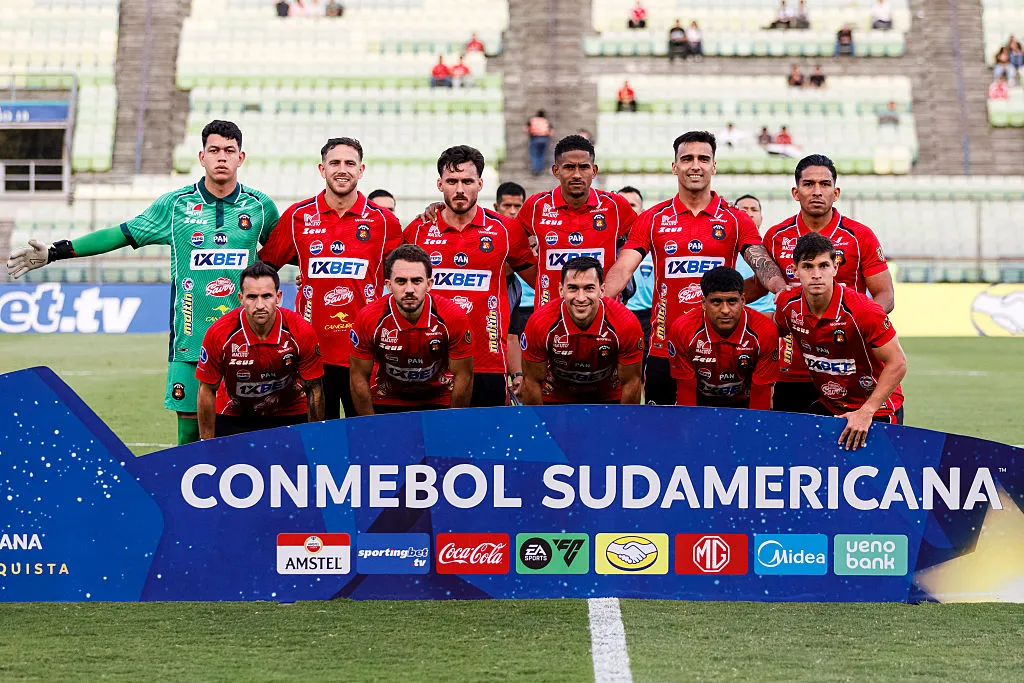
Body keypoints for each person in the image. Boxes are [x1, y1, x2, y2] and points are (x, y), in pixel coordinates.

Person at [6, 119, 279, 445]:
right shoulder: (175, 206)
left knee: (248, 428)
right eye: (214, 150)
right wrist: (57, 251)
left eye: (229, 151)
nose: (222, 157)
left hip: (246, 339)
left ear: (241, 157)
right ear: (201, 157)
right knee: (190, 429)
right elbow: (121, 234)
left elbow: (285, 247)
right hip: (190, 340)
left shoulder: (260, 206)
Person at [603, 131, 787, 405]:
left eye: (703, 158)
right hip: (664, 348)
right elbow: (624, 268)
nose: (695, 165)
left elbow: (762, 264)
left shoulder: (736, 220)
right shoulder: (652, 219)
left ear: (714, 166)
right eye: (687, 158)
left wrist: (783, 292)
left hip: (722, 350)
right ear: (674, 166)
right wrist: (599, 298)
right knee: (666, 436)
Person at [258, 137, 402, 420]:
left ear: (362, 171)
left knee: (365, 440)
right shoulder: (298, 216)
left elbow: (408, 274)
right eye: (334, 163)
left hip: (364, 354)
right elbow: (264, 268)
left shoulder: (384, 222)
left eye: (350, 163)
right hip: (311, 353)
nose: (342, 169)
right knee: (316, 442)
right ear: (322, 169)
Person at [759, 154, 894, 414]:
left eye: (825, 184)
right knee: (794, 448)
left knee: (851, 445)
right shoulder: (776, 236)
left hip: (848, 365)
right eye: (809, 184)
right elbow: (760, 285)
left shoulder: (859, 236)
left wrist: (857, 330)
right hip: (794, 366)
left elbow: (885, 295)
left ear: (836, 192)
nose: (817, 191)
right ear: (796, 192)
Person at [403, 146, 537, 407]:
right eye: (452, 181)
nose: (460, 189)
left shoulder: (505, 230)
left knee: (489, 444)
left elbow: (543, 284)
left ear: (480, 183)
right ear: (440, 184)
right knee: (434, 444)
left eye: (467, 181)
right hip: (431, 364)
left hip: (488, 362)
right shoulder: (418, 231)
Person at [775, 233, 907, 449]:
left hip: (876, 409)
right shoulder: (787, 305)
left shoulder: (864, 311)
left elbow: (898, 362)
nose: (816, 274)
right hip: (829, 407)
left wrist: (866, 411)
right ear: (794, 270)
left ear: (835, 267)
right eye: (808, 266)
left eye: (823, 265)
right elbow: (774, 333)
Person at [195, 261, 324, 439]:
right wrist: (205, 443)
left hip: (290, 411)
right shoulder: (219, 333)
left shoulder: (301, 331)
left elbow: (314, 388)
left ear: (278, 297)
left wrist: (315, 439)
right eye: (252, 297)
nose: (260, 305)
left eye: (267, 296)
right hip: (235, 413)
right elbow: (207, 389)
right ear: (240, 298)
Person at [513, 135, 637, 310]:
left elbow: (642, 243)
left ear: (594, 171)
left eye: (584, 167)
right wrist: (542, 280)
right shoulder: (536, 206)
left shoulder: (615, 206)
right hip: (550, 314)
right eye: (569, 167)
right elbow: (512, 249)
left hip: (603, 314)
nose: (577, 174)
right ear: (556, 171)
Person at [349, 245, 474, 415]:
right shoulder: (368, 318)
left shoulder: (452, 317)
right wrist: (370, 426)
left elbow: (464, 376)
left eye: (416, 281)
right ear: (389, 285)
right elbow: (358, 377)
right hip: (388, 397)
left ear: (429, 284)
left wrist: (452, 422)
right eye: (401, 281)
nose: (409, 290)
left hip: (439, 397)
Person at [520, 257, 643, 405]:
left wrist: (624, 425)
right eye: (572, 288)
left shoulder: (625, 323)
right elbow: (532, 382)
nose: (581, 298)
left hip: (609, 398)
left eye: (589, 288)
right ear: (561, 290)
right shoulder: (540, 323)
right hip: (556, 398)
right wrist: (540, 426)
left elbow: (631, 383)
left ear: (602, 290)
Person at [667, 267, 778, 409]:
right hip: (700, 404)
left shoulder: (765, 331)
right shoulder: (683, 330)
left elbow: (761, 395)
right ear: (703, 303)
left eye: (732, 301)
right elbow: (686, 392)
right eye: (716, 302)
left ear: (743, 300)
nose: (725, 310)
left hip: (744, 403)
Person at [494, 181, 532, 397]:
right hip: (500, 308)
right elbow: (500, 269)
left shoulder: (537, 231)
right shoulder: (492, 231)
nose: (512, 211)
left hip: (532, 309)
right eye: (507, 205)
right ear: (496, 206)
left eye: (518, 206)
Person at [618, 186, 654, 372]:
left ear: (642, 211)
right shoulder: (607, 243)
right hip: (618, 312)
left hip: (649, 317)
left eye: (632, 205)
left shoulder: (655, 241)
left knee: (647, 372)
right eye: (622, 204)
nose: (627, 209)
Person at [732, 194, 776, 314]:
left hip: (768, 314)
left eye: (754, 210)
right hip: (734, 315)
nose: (749, 214)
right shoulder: (725, 251)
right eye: (743, 210)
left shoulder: (772, 247)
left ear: (761, 218)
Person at [526, 110, 553, 176]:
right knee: (541, 154)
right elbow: (551, 131)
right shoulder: (546, 121)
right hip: (544, 138)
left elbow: (527, 129)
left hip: (535, 138)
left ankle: (535, 169)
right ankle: (540, 168)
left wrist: (530, 135)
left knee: (534, 154)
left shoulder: (533, 120)